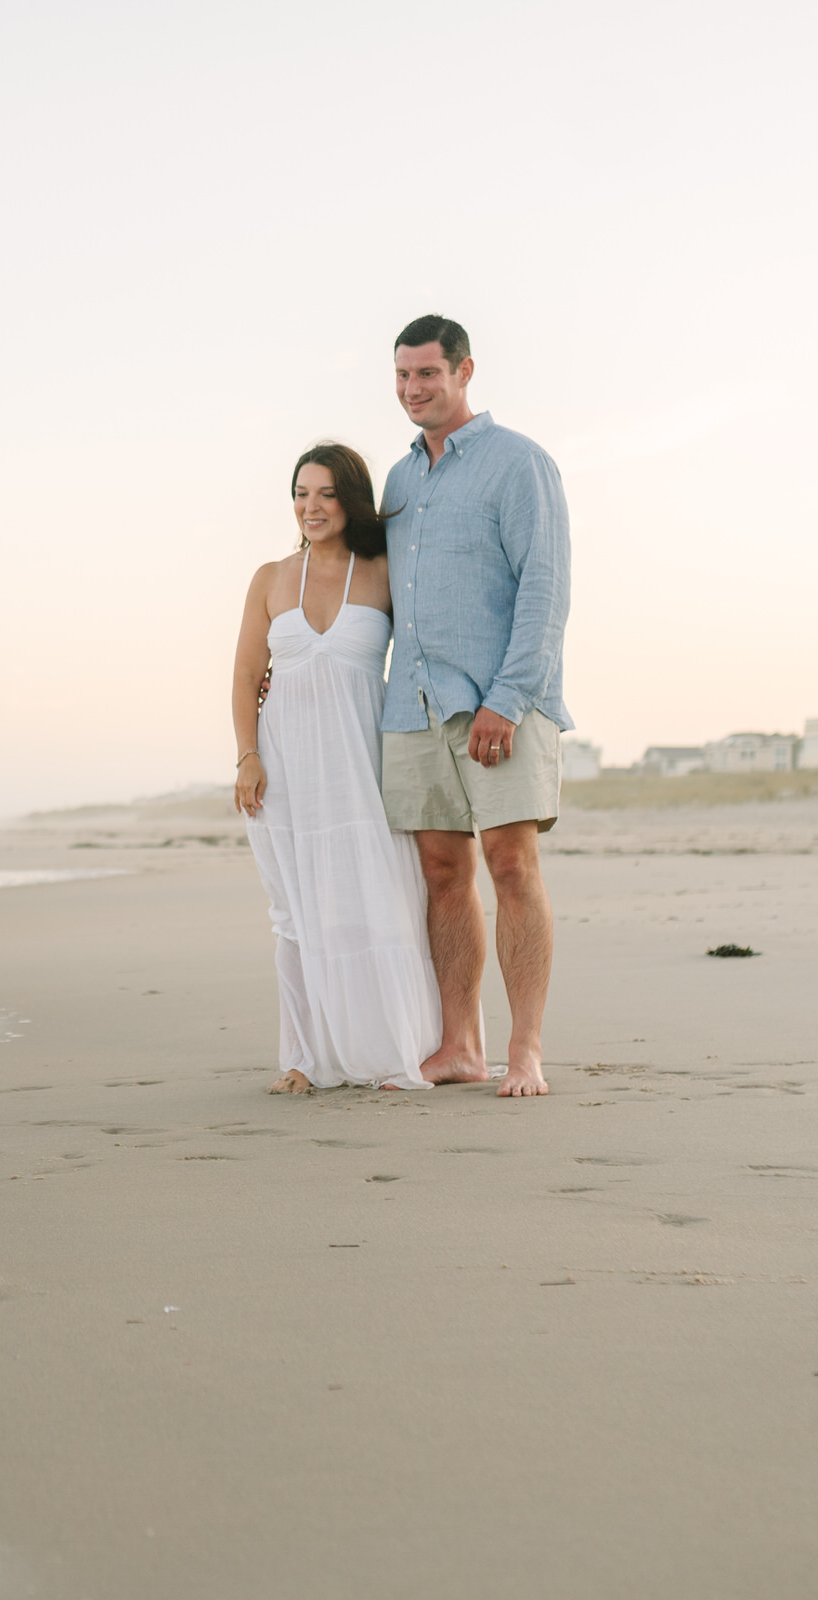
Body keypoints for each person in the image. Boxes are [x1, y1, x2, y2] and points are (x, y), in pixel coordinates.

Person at [379, 315, 570, 1097]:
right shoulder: (397, 482)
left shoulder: (518, 464)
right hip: (413, 706)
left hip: (499, 705)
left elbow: (546, 589)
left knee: (512, 865)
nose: (414, 389)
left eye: (428, 373)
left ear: (464, 372)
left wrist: (509, 698)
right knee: (442, 873)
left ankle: (523, 1050)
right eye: (402, 376)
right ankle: (460, 1043)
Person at [232, 444, 443, 1093]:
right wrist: (247, 755)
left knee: (377, 902)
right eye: (301, 492)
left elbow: (423, 657)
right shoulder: (270, 578)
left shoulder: (382, 571)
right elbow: (245, 675)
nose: (310, 506)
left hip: (362, 763)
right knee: (293, 910)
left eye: (325, 493)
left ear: (349, 499)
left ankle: (396, 1046)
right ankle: (302, 1059)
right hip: (284, 768)